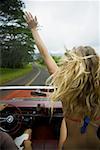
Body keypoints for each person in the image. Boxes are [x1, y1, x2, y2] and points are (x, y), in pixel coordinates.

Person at [24, 12, 100, 150]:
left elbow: (45, 55)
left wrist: (33, 29)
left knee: (66, 120)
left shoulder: (66, 90)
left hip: (70, 147)